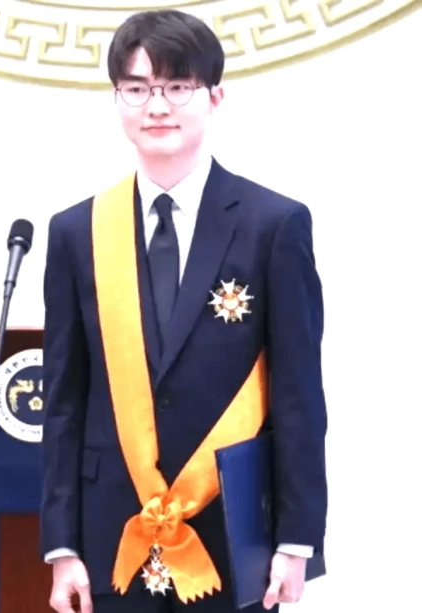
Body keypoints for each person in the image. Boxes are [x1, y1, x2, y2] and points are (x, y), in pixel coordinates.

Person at [39, 10, 327, 613]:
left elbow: (299, 393)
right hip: (111, 534)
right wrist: (62, 545)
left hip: (236, 532)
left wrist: (296, 539)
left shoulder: (273, 225)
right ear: (116, 100)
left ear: (215, 97)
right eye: (137, 89)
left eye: (177, 86)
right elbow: (64, 401)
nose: (157, 107)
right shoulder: (76, 232)